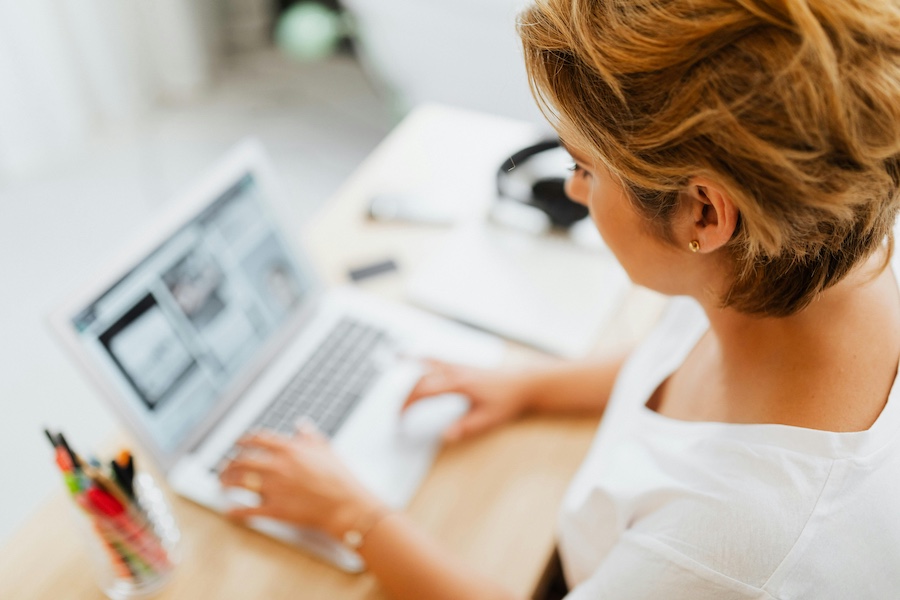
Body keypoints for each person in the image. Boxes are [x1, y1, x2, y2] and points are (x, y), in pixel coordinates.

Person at [220, 0, 900, 597]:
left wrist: (356, 517)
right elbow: (676, 357)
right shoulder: (819, 246)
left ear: (703, 216)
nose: (573, 191)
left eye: (583, 167)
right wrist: (531, 385)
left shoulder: (727, 550)